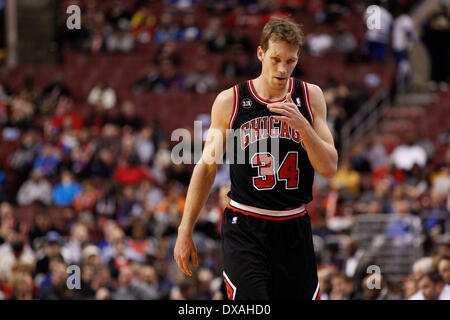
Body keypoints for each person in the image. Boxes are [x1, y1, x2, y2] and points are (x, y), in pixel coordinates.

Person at [174, 17, 338, 300]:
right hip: (246, 227)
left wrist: (304, 128)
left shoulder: (310, 97)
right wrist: (184, 228)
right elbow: (207, 167)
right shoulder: (231, 100)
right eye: (276, 59)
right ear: (261, 53)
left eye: (290, 61)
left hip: (294, 227)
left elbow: (329, 167)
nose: (283, 68)